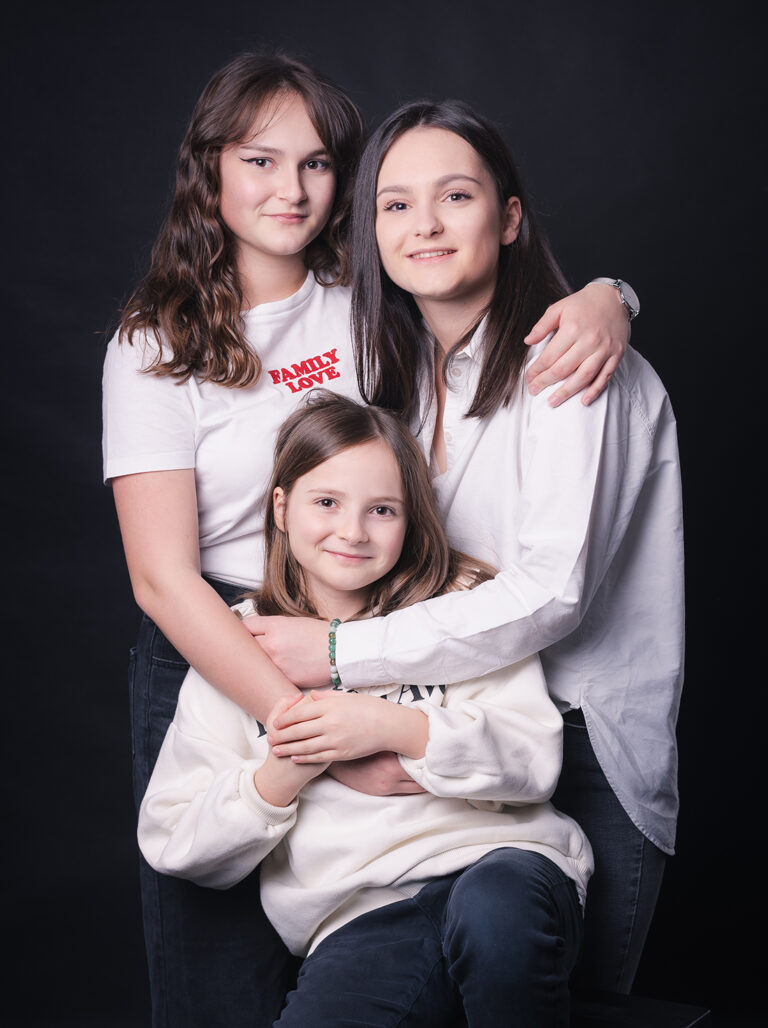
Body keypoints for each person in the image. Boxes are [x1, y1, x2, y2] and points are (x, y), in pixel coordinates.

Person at [102, 50, 636, 1026]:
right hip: (224, 636)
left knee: (400, 952)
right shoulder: (155, 342)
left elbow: (492, 292)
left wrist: (611, 294)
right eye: (259, 160)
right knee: (220, 985)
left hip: (381, 614)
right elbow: (159, 575)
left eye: (315, 163)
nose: (291, 189)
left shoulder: (363, 296)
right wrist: (309, 723)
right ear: (209, 170)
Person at [245, 99, 685, 997]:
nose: (426, 226)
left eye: (456, 196)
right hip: (448, 731)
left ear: (510, 216)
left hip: (580, 743)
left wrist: (338, 655)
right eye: (396, 205)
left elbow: (553, 590)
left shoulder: (572, 366)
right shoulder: (399, 383)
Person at [138, 390, 594, 1028]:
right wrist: (285, 771)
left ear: (410, 519)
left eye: (382, 509)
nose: (352, 532)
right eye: (326, 502)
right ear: (281, 506)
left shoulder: (461, 611)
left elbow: (531, 761)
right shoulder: (238, 649)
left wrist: (389, 726)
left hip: (503, 865)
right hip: (362, 913)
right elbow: (172, 840)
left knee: (494, 918)